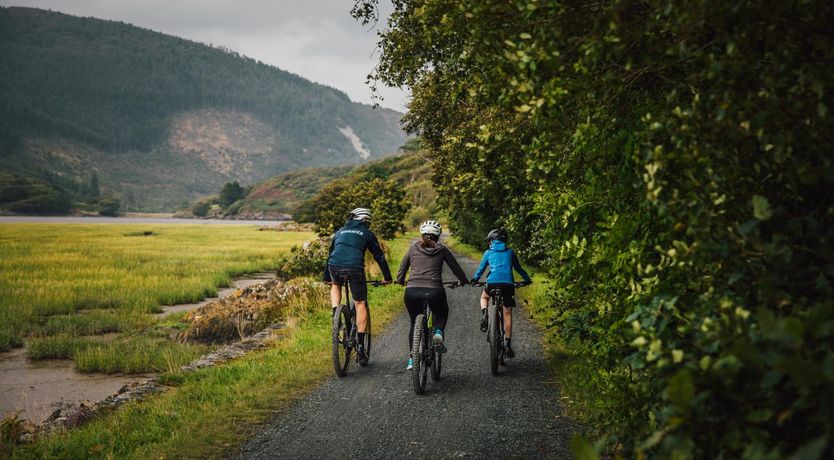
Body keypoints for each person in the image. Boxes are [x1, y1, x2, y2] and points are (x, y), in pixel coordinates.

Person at [323, 207, 392, 365]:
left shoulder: (340, 231)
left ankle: (336, 314)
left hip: (334, 266)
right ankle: (360, 347)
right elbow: (379, 256)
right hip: (354, 267)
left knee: (335, 284)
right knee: (360, 303)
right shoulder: (367, 233)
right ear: (365, 221)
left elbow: (331, 254)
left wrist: (326, 276)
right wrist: (387, 277)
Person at [396, 220, 468, 370]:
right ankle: (439, 333)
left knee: (413, 322)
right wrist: (463, 281)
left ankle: (411, 358)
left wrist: (401, 281)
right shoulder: (442, 250)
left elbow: (402, 269)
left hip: (412, 291)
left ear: (422, 234)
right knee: (442, 312)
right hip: (435, 290)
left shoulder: (412, 249)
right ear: (438, 235)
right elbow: (456, 269)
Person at [470, 228, 532, 359]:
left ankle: (484, 314)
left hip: (492, 283)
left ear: (492, 241)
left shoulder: (488, 252)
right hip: (508, 285)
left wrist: (475, 280)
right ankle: (508, 344)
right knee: (507, 313)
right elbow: (518, 268)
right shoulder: (510, 252)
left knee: (484, 297)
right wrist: (526, 279)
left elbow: (481, 269)